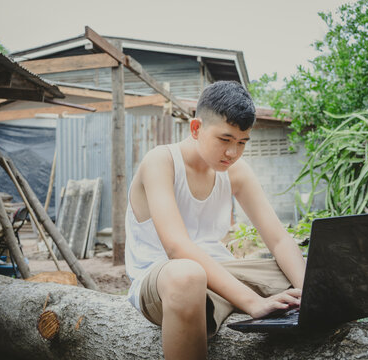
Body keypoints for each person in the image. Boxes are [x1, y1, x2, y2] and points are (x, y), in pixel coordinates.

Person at [125, 81, 306, 359]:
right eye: (225, 140)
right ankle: (230, 302)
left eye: (242, 142)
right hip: (163, 278)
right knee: (188, 274)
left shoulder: (236, 171)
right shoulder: (160, 161)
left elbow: (279, 240)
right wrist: (253, 302)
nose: (232, 153)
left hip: (220, 272)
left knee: (301, 270)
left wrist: (309, 292)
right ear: (196, 129)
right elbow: (177, 248)